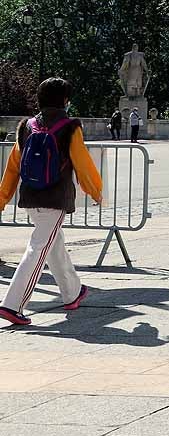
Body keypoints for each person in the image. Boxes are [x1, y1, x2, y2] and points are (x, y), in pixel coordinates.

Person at [0, 78, 100, 326]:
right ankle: (12, 305)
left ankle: (72, 292)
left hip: (31, 196)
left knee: (53, 245)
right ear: (65, 101)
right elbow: (83, 164)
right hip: (55, 199)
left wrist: (2, 198)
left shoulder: (27, 126)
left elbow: (13, 167)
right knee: (38, 249)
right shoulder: (70, 127)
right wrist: (95, 191)